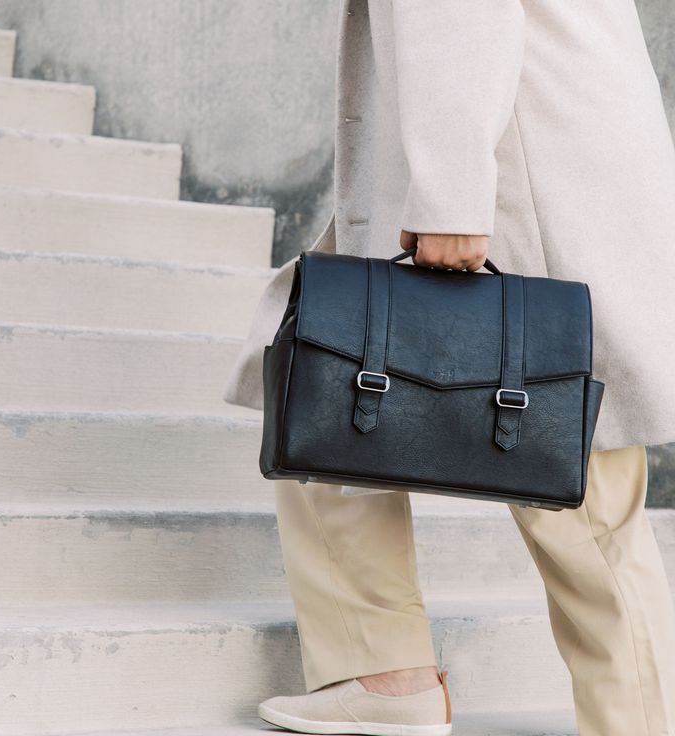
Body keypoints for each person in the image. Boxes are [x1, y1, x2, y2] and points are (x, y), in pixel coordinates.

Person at [223, 1, 675, 734]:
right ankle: (384, 672)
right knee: (322, 387)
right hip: (524, 138)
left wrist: (455, 190)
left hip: (523, 162)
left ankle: (639, 722)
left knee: (582, 502)